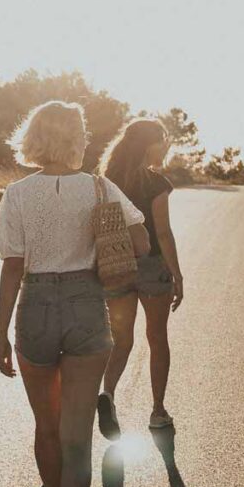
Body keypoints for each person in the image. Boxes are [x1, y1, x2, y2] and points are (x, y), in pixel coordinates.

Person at [0, 101, 150, 487]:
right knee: (77, 438)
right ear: (78, 138)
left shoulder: (17, 194)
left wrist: (0, 332)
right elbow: (142, 243)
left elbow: (12, 265)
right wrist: (104, 232)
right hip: (86, 304)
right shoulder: (101, 188)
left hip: (35, 306)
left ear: (34, 136)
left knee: (47, 425)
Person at [96, 119, 183, 439]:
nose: (166, 146)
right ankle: (158, 412)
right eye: (162, 140)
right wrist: (178, 274)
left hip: (116, 266)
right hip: (151, 266)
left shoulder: (106, 181)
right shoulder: (155, 183)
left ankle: (108, 394)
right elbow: (162, 232)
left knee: (121, 339)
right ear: (149, 144)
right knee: (157, 338)